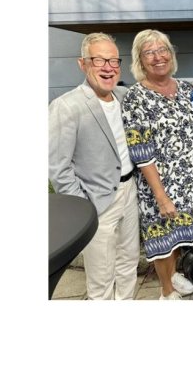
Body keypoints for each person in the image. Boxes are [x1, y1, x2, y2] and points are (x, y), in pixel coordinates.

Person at [48, 32, 140, 300]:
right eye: (99, 60)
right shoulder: (66, 106)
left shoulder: (124, 96)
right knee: (101, 278)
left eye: (113, 61)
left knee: (128, 263)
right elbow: (58, 167)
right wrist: (84, 207)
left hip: (129, 192)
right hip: (97, 202)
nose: (108, 67)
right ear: (83, 63)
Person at [121, 29, 193, 300]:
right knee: (162, 241)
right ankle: (166, 291)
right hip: (158, 185)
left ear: (171, 54)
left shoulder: (186, 89)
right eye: (149, 52)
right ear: (140, 60)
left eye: (162, 50)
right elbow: (140, 150)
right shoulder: (136, 97)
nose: (158, 57)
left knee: (178, 237)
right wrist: (161, 196)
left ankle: (173, 275)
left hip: (186, 182)